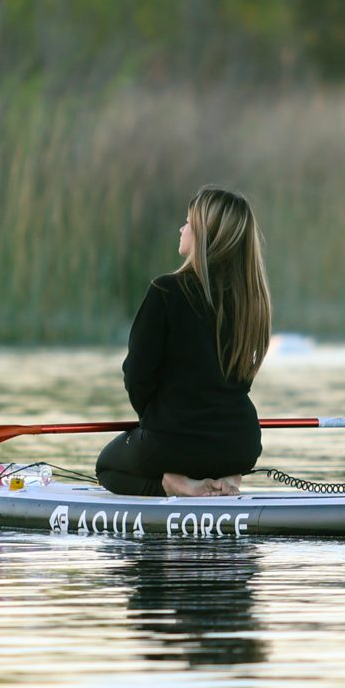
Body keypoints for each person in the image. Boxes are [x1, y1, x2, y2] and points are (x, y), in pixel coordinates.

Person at [96, 185, 272, 499]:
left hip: (173, 444)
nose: (182, 228)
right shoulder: (250, 303)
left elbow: (136, 376)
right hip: (241, 446)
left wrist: (156, 424)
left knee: (107, 467)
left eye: (189, 222)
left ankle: (174, 485)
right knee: (211, 450)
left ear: (206, 235)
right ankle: (227, 478)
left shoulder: (165, 291)